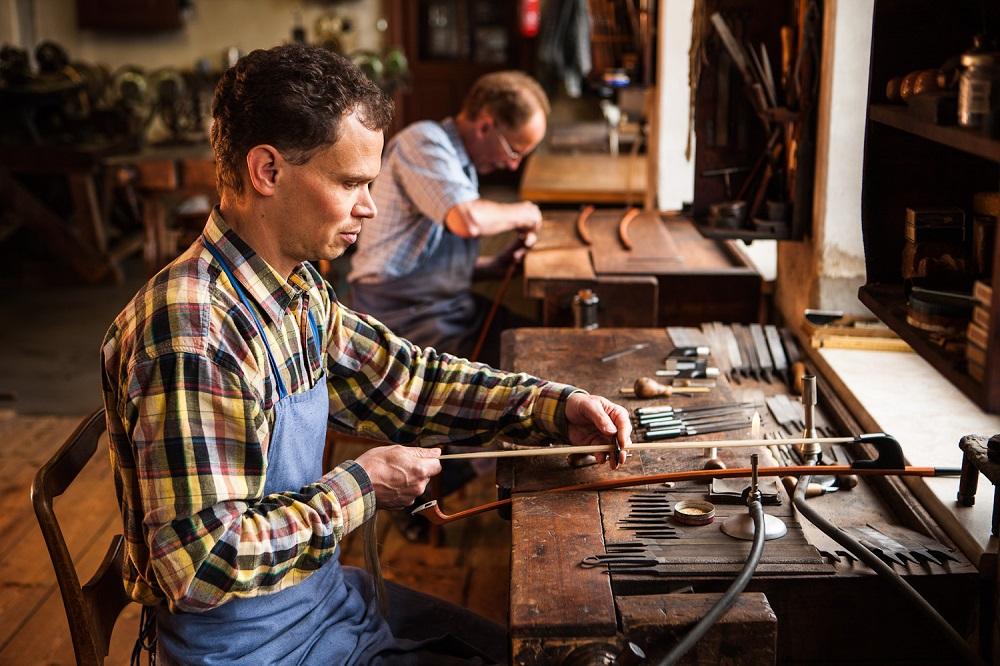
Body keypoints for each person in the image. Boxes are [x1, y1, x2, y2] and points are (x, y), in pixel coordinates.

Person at [100, 45, 631, 665]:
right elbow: (199, 565)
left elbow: (407, 379)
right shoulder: (193, 332)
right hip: (254, 650)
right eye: (350, 182)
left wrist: (548, 405)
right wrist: (362, 486)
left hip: (322, 605)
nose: (370, 206)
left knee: (513, 650)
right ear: (267, 171)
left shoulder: (295, 289)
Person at [348, 70, 550, 369]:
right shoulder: (423, 143)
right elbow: (467, 219)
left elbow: (428, 260)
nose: (512, 165)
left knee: (536, 338)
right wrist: (526, 212)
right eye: (514, 151)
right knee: (524, 368)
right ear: (485, 126)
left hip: (444, 306)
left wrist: (489, 268)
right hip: (401, 316)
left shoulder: (462, 165)